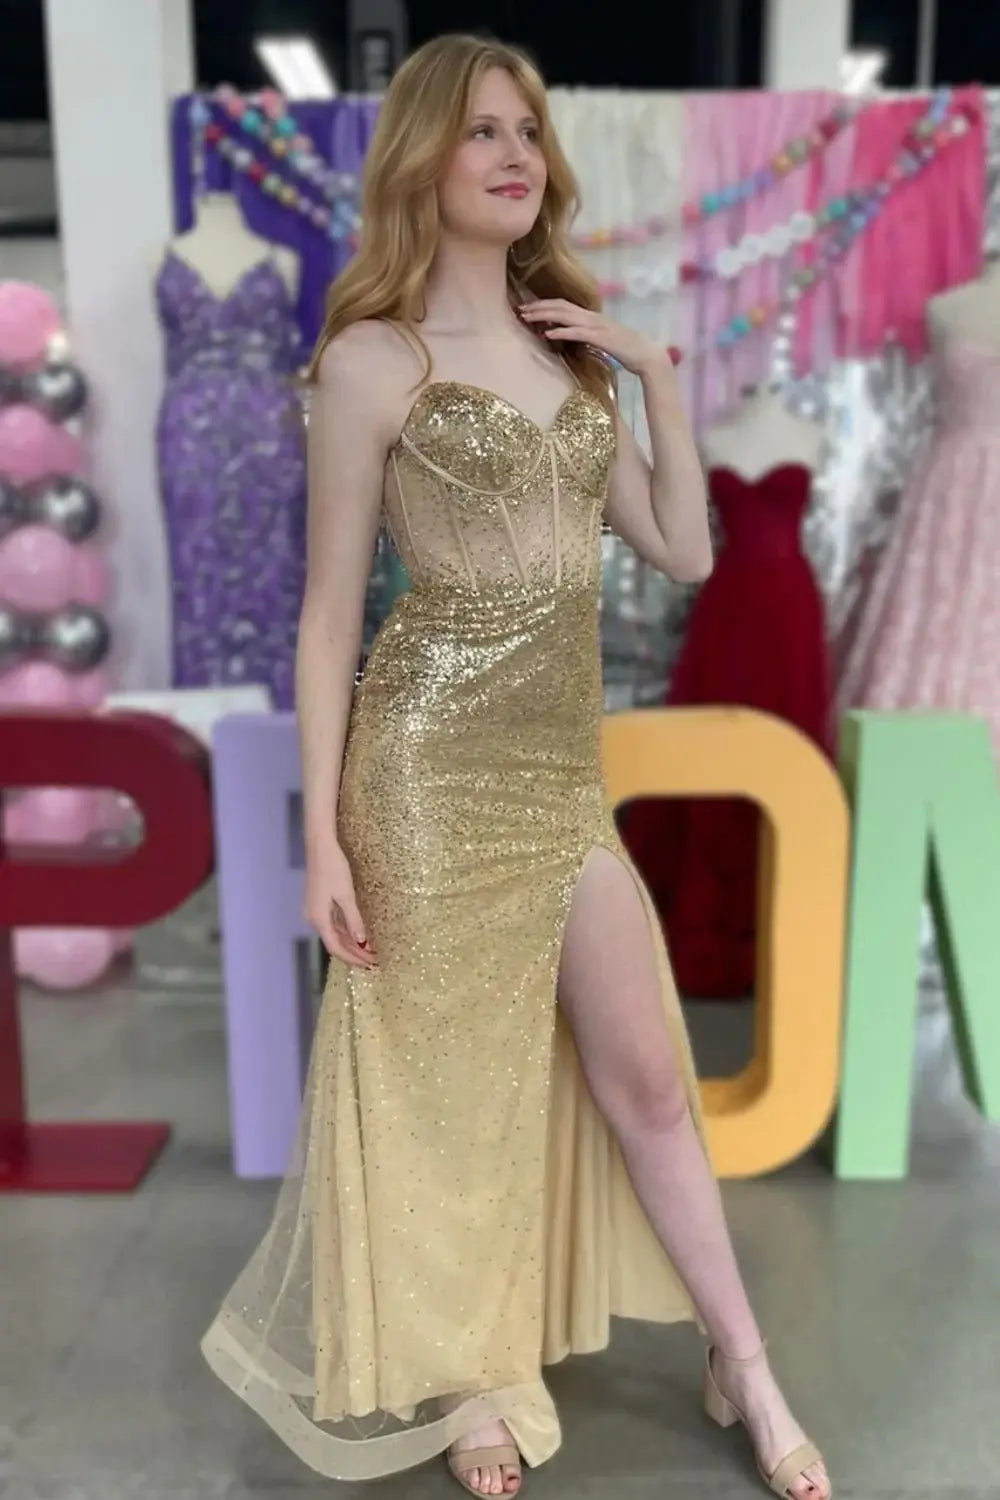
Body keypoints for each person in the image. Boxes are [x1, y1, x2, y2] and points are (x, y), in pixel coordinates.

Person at [200, 32, 832, 1500]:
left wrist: (654, 378)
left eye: (528, 133)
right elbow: (327, 617)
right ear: (422, 156)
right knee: (450, 1089)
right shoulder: (371, 361)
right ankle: (474, 1376)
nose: (512, 156)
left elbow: (683, 551)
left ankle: (745, 1363)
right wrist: (323, 841)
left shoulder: (571, 359)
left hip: (557, 781)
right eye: (481, 130)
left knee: (650, 1079)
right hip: (421, 774)